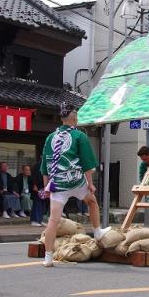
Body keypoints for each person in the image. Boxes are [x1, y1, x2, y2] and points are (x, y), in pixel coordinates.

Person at [40, 102, 110, 267]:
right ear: (75, 119)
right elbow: (87, 163)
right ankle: (98, 232)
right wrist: (91, 184)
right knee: (92, 201)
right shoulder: (79, 136)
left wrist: (46, 187)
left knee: (53, 221)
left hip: (57, 184)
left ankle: (48, 257)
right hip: (76, 181)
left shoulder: (51, 137)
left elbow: (45, 165)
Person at [30, 160, 46, 227]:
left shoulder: (45, 164)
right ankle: (34, 220)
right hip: (37, 186)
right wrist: (34, 185)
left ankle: (40, 220)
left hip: (43, 186)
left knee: (42, 203)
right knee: (37, 203)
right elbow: (34, 175)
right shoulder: (38, 164)